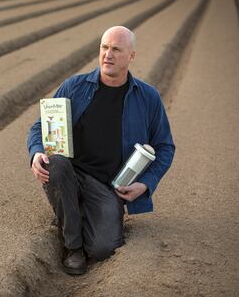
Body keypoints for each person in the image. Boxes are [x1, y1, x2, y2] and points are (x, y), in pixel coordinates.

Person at [26, 26, 175, 275]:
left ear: (131, 56)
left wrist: (146, 184)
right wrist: (36, 151)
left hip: (107, 185)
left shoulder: (147, 97)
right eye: (104, 47)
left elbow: (165, 147)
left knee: (103, 248)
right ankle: (73, 247)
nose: (108, 54)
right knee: (57, 163)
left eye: (116, 49)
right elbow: (40, 125)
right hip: (71, 173)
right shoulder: (75, 86)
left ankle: (73, 211)